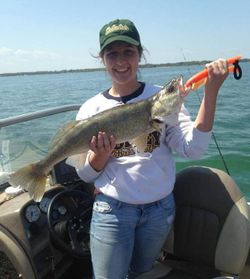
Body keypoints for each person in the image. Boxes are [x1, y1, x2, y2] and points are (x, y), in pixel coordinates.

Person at [67, 19, 229, 279]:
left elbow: (192, 150)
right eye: (112, 54)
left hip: (159, 211)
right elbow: (85, 176)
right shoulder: (91, 109)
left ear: (140, 54)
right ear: (103, 59)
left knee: (143, 273)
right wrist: (100, 156)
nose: (121, 61)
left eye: (128, 52)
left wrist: (210, 93)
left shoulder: (162, 99)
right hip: (112, 211)